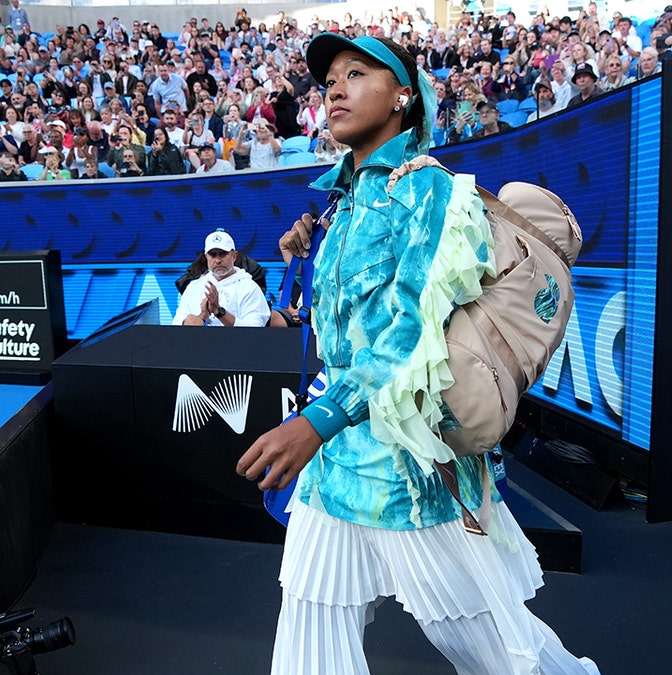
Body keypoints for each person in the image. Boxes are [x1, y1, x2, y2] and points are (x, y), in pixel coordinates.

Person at [235, 33, 599, 675]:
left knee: (494, 649)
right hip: (337, 465)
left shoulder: (429, 193)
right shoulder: (341, 203)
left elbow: (410, 331)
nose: (336, 88)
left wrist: (313, 421)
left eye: (357, 73)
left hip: (409, 467)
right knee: (309, 633)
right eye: (329, 82)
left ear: (404, 96)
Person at [172, 229, 270, 327]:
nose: (218, 260)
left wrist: (219, 312)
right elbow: (176, 325)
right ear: (206, 257)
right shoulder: (194, 287)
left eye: (223, 254)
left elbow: (255, 329)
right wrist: (201, 317)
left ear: (234, 256)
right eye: (213, 255)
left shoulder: (249, 288)